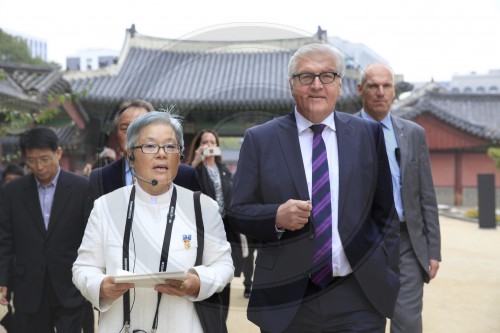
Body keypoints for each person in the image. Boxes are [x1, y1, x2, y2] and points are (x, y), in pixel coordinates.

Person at [229, 43, 399, 333]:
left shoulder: (367, 135)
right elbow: (237, 212)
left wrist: (387, 271)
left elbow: (385, 214)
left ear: (340, 85)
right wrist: (275, 218)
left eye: (327, 76)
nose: (317, 85)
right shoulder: (261, 139)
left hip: (357, 294)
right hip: (288, 298)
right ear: (292, 85)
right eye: (306, 77)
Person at [72, 111, 234, 332]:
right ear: (130, 155)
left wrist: (199, 281)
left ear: (180, 155)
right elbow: (84, 267)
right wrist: (100, 286)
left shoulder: (203, 207)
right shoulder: (105, 207)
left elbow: (223, 265)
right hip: (121, 325)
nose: (161, 154)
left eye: (170, 147)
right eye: (150, 146)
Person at [357, 62, 441, 333]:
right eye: (373, 86)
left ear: (394, 91)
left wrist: (434, 249)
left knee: (407, 321)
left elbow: (425, 195)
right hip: (363, 240)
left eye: (386, 86)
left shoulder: (413, 133)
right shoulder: (344, 131)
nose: (380, 92)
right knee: (363, 320)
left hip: (406, 241)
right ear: (361, 90)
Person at [0, 127, 92, 333]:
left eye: (44, 159)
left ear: (58, 153)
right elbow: (5, 240)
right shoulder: (12, 192)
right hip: (29, 285)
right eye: (32, 161)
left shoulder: (81, 188)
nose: (39, 166)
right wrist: (3, 279)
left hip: (69, 284)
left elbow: (90, 237)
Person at [89, 99, 201, 203]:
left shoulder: (185, 176)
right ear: (116, 134)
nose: (131, 134)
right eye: (125, 128)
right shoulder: (101, 177)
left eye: (140, 127)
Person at [187, 129, 243, 319]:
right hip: (201, 231)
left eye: (212, 142)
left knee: (224, 276)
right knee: (205, 277)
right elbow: (183, 188)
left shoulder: (224, 170)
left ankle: (222, 322)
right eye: (205, 142)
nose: (209, 145)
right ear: (198, 145)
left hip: (225, 231)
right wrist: (195, 161)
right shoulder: (193, 170)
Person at [0, 164, 24, 333]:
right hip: (4, 266)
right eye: (8, 181)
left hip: (22, 267)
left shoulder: (27, 204)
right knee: (4, 309)